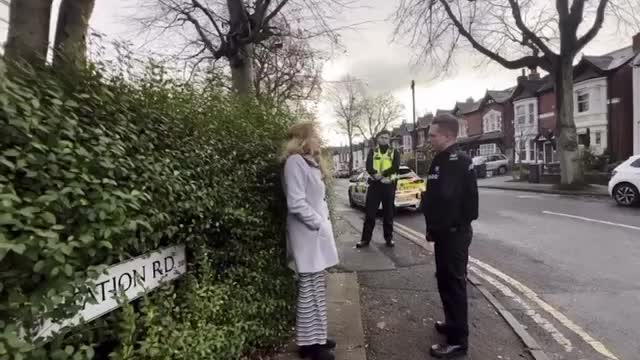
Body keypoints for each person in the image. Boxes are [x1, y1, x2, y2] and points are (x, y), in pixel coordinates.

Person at [422, 114, 478, 359]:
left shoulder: (458, 161)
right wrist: (432, 227)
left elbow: (460, 204)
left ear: (447, 136)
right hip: (443, 234)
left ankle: (458, 342)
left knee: (454, 285)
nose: (429, 139)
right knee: (444, 281)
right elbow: (433, 197)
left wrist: (450, 227)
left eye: (433, 135)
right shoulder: (440, 159)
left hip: (454, 235)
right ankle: (451, 323)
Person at [282, 122, 339, 360]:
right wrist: (319, 223)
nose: (319, 139)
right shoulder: (294, 163)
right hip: (306, 235)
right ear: (303, 138)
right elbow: (296, 203)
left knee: (317, 288)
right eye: (315, 135)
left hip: (314, 236)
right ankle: (309, 347)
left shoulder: (308, 162)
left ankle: (317, 337)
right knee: (308, 291)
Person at [356, 130, 401, 248]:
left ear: (389, 140)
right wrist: (375, 174)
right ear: (378, 139)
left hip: (388, 185)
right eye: (382, 137)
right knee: (370, 214)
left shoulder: (394, 152)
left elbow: (395, 167)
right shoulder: (373, 151)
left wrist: (382, 174)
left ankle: (389, 238)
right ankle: (365, 240)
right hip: (375, 185)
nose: (384, 140)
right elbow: (369, 166)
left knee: (388, 214)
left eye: (386, 138)